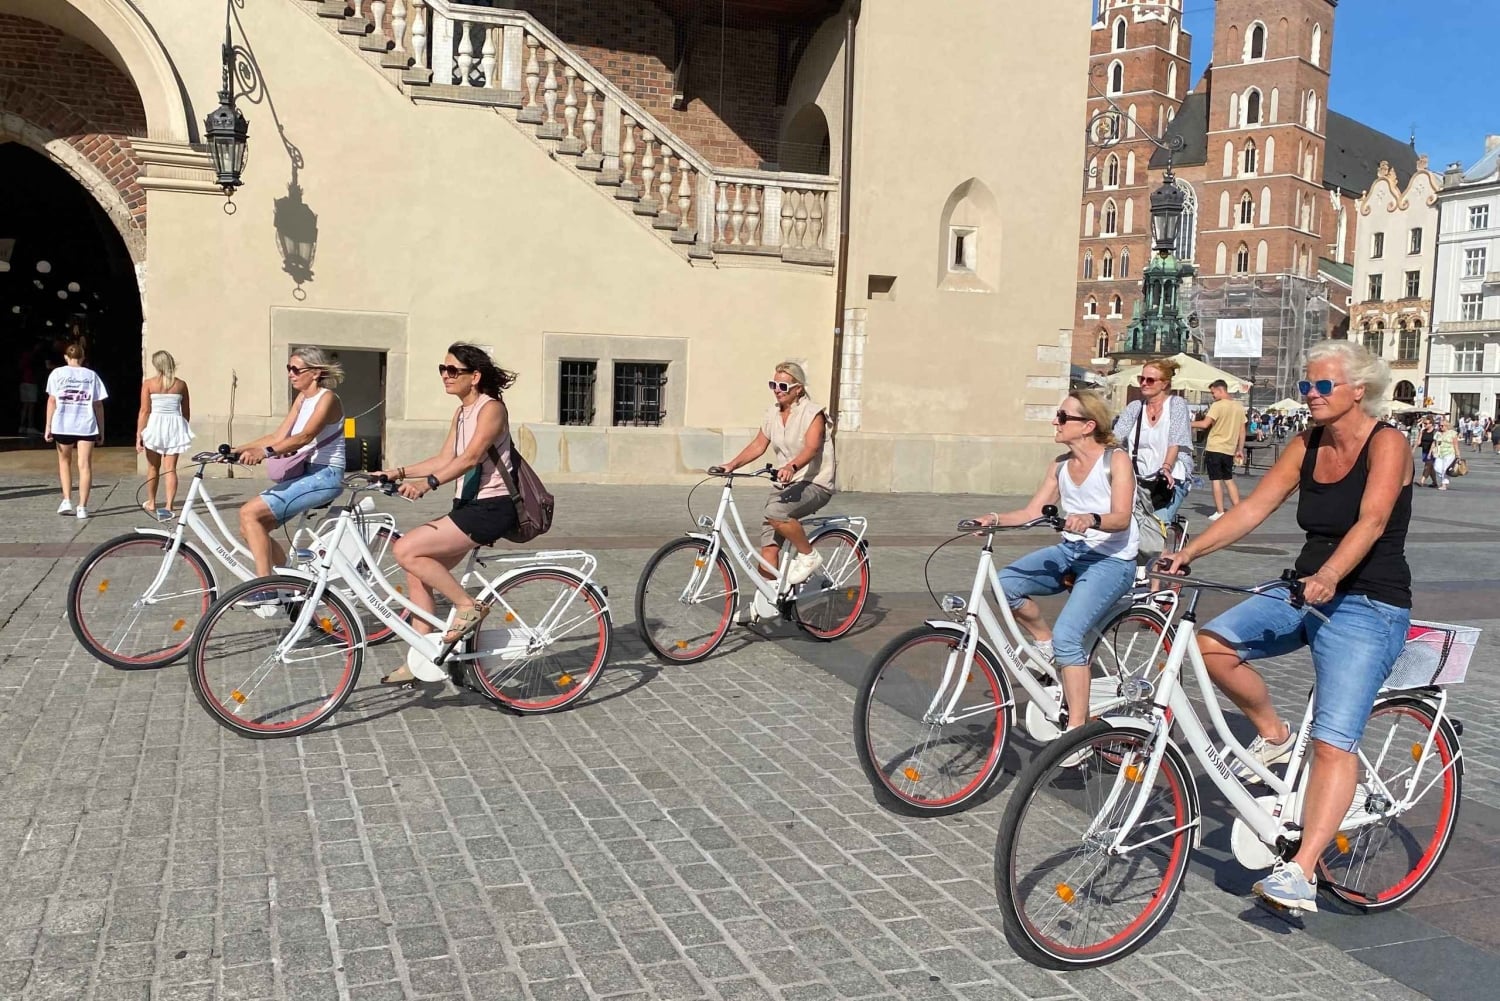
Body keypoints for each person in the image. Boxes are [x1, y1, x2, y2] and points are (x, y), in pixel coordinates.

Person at [1161, 340, 1412, 913]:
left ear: (1357, 390)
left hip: (1368, 603)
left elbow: (1372, 521)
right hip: (1302, 589)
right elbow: (1253, 508)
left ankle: (1300, 872)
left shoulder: (1388, 443)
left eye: (1323, 385)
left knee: (1332, 741)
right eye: (1306, 385)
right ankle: (1275, 736)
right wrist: (1189, 553)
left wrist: (1330, 575)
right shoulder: (1305, 442)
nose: (1311, 395)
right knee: (1212, 646)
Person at [977, 391, 1138, 744]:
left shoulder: (1116, 460)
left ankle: (1076, 734)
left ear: (1088, 426)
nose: (1055, 421)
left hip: (1111, 560)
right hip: (1071, 552)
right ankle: (1044, 642)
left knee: (1071, 636)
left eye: (1062, 417)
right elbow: (1033, 512)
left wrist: (1092, 519)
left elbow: (1122, 518)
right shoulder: (1060, 465)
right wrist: (994, 518)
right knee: (1006, 584)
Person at [376, 344, 520, 684]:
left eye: (453, 370)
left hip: (492, 507)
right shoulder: (462, 413)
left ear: (475, 376)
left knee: (406, 549)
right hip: (468, 506)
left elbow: (469, 458)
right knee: (419, 572)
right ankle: (421, 655)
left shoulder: (491, 409)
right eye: (442, 368)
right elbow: (444, 459)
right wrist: (395, 473)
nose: (445, 375)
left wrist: (428, 484)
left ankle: (467, 606)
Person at [712, 361, 837, 617]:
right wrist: (731, 465)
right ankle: (766, 603)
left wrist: (792, 465)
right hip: (786, 484)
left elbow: (812, 448)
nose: (776, 390)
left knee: (777, 511)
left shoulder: (813, 414)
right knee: (768, 545)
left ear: (798, 389)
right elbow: (759, 445)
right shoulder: (771, 414)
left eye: (782, 386)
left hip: (814, 483)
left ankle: (809, 555)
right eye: (773, 384)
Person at [230, 347, 346, 578]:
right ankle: (285, 579)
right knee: (251, 527)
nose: (290, 374)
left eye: (295, 369)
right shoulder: (303, 399)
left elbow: (304, 437)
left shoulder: (328, 399)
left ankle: (265, 586)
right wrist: (236, 450)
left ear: (315, 373)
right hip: (307, 474)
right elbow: (278, 436)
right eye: (288, 368)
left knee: (249, 513)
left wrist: (264, 453)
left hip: (325, 475)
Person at [1113, 357, 1194, 528]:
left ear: (1164, 384)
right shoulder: (1135, 407)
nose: (1144, 383)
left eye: (1150, 380)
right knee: (1125, 527)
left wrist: (1166, 468)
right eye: (1141, 379)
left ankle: (1162, 553)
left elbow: (1175, 442)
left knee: (1155, 529)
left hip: (1169, 479)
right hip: (1137, 478)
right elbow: (1115, 439)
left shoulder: (1176, 405)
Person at [44, 341, 108, 520]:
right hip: (85, 424)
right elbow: (98, 404)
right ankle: (82, 506)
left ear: (66, 357)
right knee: (84, 465)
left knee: (64, 462)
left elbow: (52, 401)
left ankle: (66, 499)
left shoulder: (57, 373)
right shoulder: (91, 375)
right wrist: (101, 430)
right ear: (83, 357)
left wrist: (48, 426)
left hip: (63, 422)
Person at [135, 350, 194, 520]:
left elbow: (145, 411)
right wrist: (182, 428)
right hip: (174, 424)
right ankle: (169, 505)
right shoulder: (181, 384)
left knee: (153, 467)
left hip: (155, 425)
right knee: (170, 469)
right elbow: (186, 412)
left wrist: (139, 434)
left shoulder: (149, 384)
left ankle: (152, 502)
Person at [1192, 379, 1246, 522]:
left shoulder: (1218, 406)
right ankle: (1238, 509)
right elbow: (1242, 430)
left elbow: (1204, 424)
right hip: (1229, 449)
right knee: (1228, 479)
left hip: (1215, 447)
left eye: (1213, 392)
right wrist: (1240, 449)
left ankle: (1220, 511)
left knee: (1216, 480)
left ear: (1220, 390)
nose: (1212, 396)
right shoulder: (1239, 406)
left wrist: (1187, 422)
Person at [1432, 417, 1459, 490]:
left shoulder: (1452, 433)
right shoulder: (1437, 433)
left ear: (1447, 426)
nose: (1440, 427)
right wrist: (1431, 451)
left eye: (1442, 426)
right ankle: (1445, 478)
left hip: (1449, 453)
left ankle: (1444, 484)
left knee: (1445, 468)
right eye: (1439, 425)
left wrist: (1457, 454)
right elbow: (1434, 443)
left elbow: (1455, 444)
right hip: (1439, 453)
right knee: (1437, 467)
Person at [1417, 417, 1437, 487]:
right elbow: (1419, 443)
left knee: (1427, 466)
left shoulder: (1435, 432)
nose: (1424, 425)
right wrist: (1421, 432)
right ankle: (1435, 482)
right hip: (1425, 451)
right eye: (1424, 423)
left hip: (1432, 452)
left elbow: (1435, 442)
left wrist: (1430, 452)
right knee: (1430, 468)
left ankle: (1422, 481)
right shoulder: (1423, 431)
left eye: (1426, 423)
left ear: (1431, 424)